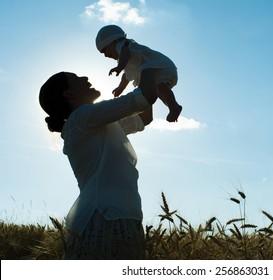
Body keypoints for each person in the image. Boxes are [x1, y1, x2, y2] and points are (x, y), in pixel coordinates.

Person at [39, 70, 157, 259]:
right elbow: (145, 97)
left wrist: (139, 76)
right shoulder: (82, 117)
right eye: (76, 78)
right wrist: (146, 65)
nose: (85, 78)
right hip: (105, 217)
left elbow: (145, 117)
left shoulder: (94, 123)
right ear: (69, 94)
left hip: (119, 213)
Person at [95, 24, 182, 122]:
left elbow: (125, 53)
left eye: (105, 50)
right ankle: (173, 107)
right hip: (160, 69)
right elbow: (127, 75)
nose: (105, 55)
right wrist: (120, 88)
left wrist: (119, 67)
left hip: (159, 67)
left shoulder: (122, 45)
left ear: (114, 41)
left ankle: (173, 106)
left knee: (160, 88)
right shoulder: (126, 57)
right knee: (160, 90)